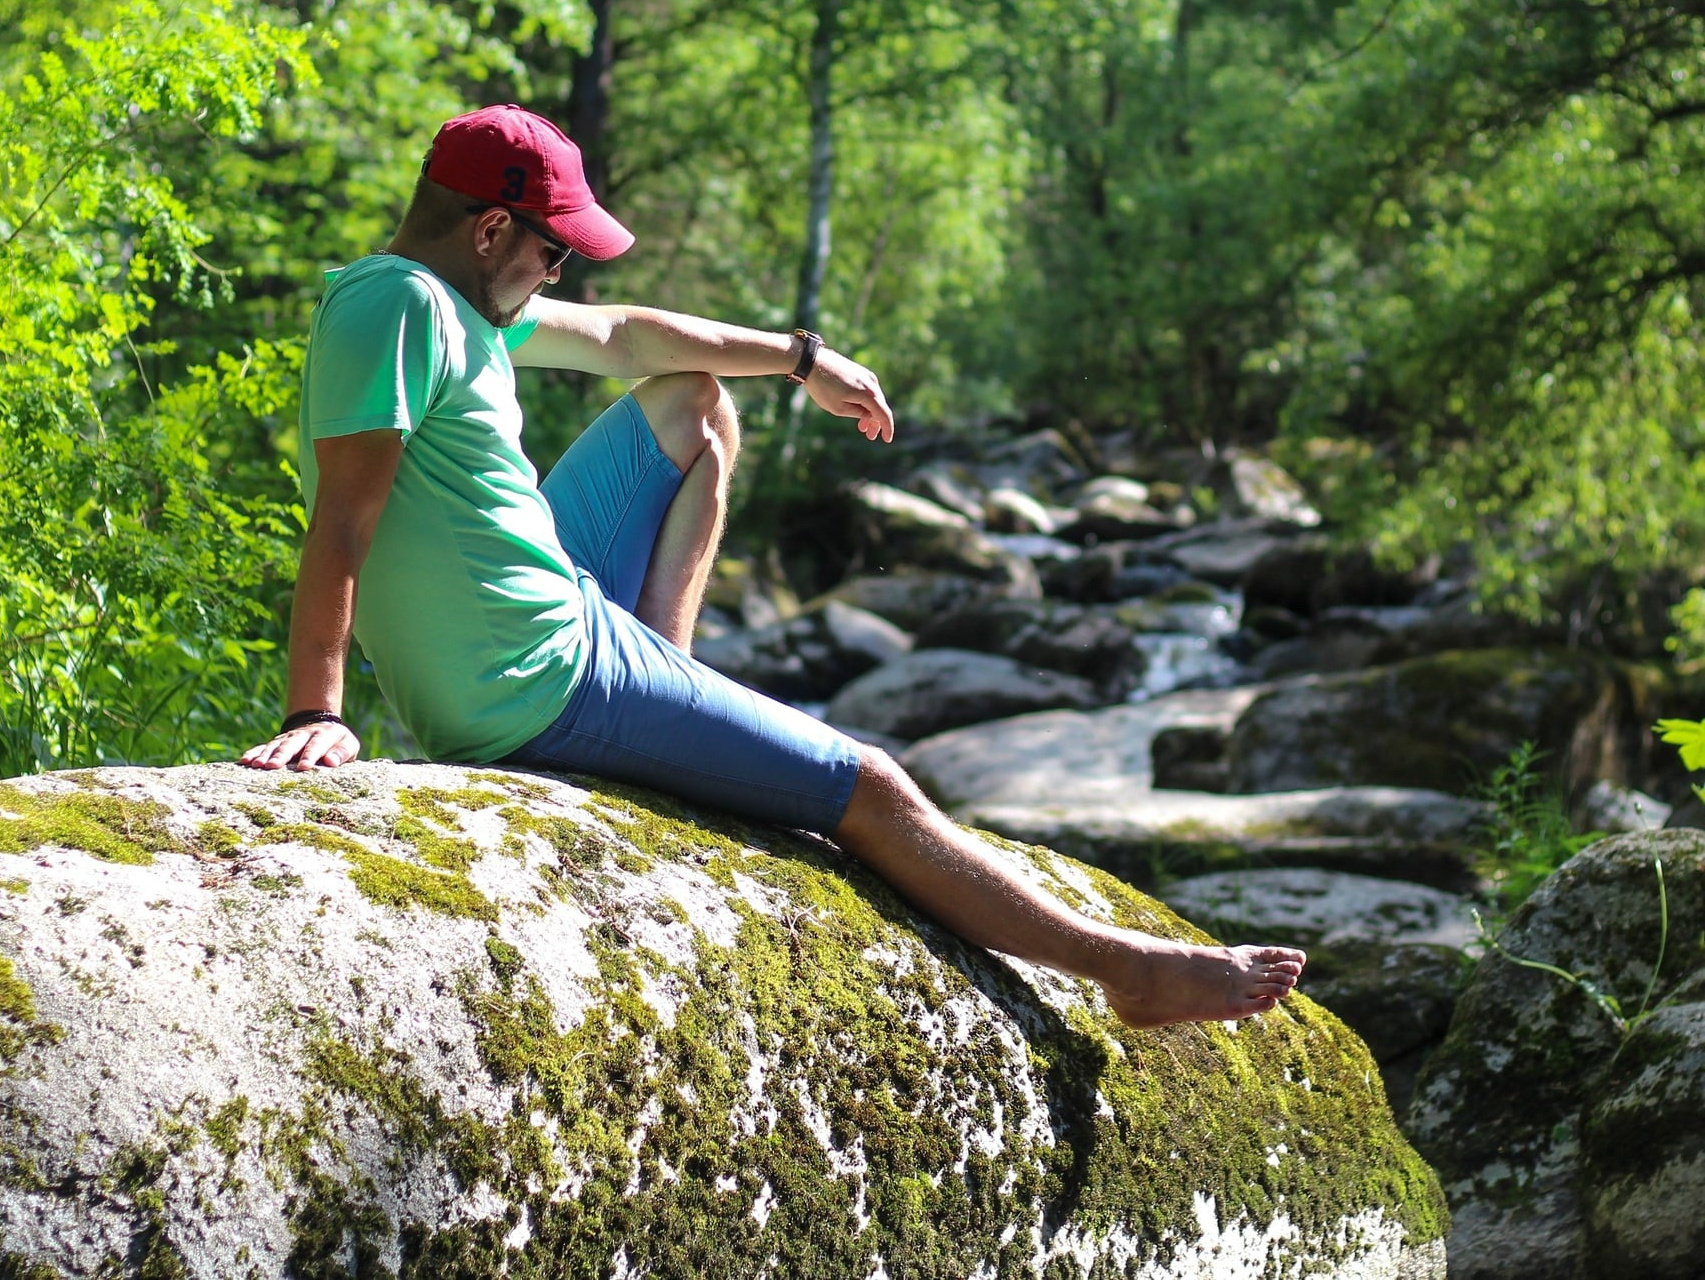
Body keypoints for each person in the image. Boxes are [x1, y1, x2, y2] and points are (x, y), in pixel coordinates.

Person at [241, 105, 1304, 1027]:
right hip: (539, 678)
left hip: (553, 627)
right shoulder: (402, 309)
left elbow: (623, 336)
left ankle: (667, 681)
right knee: (872, 788)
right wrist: (313, 713)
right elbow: (342, 522)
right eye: (552, 251)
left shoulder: (456, 306)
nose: (558, 271)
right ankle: (1127, 972)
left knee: (696, 400)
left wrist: (803, 359)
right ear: (489, 229)